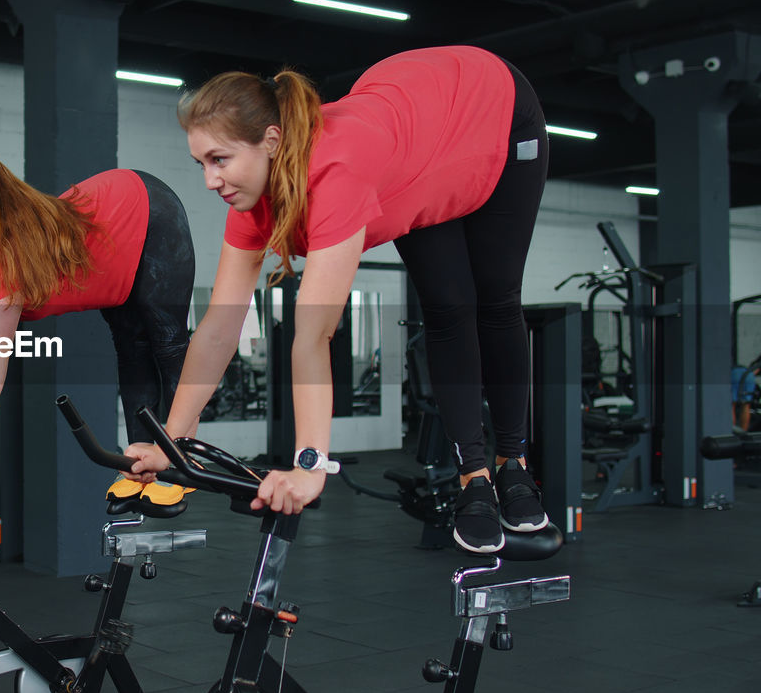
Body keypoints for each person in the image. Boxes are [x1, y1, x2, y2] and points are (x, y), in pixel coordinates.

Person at [124, 45, 551, 553]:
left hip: (490, 104)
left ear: (271, 141)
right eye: (201, 163)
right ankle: (473, 479)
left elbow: (314, 335)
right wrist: (173, 444)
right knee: (447, 308)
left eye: (220, 160)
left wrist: (309, 466)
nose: (210, 180)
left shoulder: (336, 173)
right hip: (415, 133)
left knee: (495, 297)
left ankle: (513, 462)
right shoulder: (249, 203)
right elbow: (220, 326)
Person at [0, 152, 195, 509]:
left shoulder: (5, 248)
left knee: (168, 342)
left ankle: (181, 460)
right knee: (131, 347)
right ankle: (140, 466)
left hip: (143, 208)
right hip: (112, 259)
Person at [732, 361, 760, 432]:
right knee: (746, 405)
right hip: (748, 375)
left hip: (734, 373)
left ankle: (730, 432)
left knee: (732, 405)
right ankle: (743, 432)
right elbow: (756, 369)